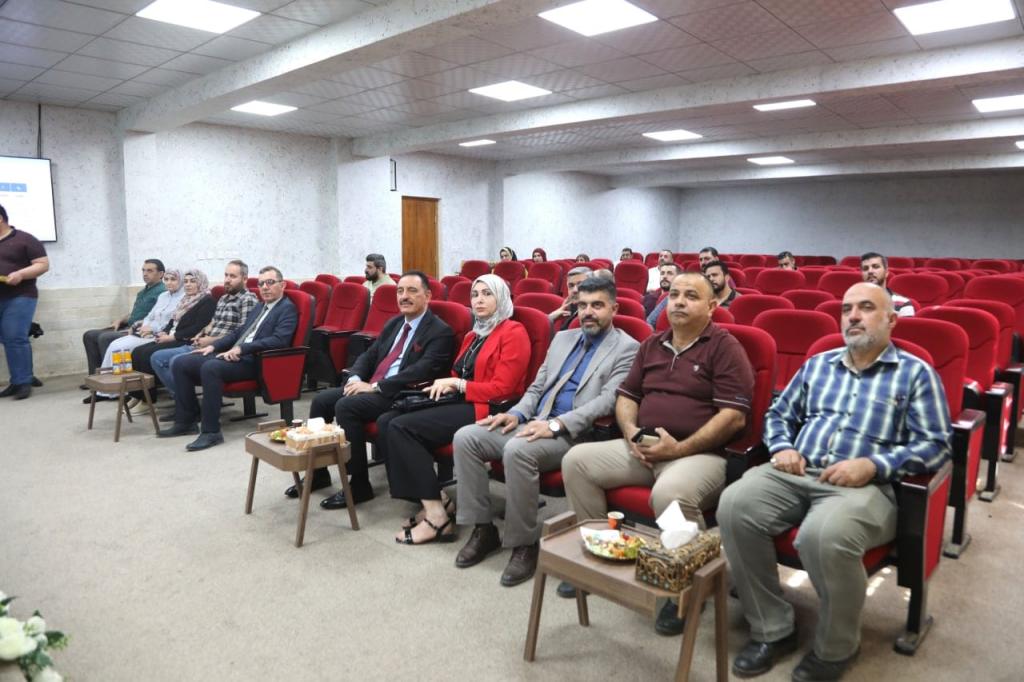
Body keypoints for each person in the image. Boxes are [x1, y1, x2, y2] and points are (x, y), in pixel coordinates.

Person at [718, 282, 951, 681]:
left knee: (823, 536)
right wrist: (781, 446)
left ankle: (836, 646)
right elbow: (779, 414)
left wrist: (873, 465)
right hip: (797, 471)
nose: (853, 316)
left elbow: (936, 445)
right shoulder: (818, 365)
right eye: (846, 309)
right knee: (734, 505)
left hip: (866, 487)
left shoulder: (915, 374)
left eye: (866, 308)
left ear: (892, 320)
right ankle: (772, 627)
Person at [560, 272, 753, 634]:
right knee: (577, 462)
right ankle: (604, 552)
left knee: (669, 494)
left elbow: (734, 417)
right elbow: (626, 396)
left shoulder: (725, 347)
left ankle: (683, 586)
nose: (678, 301)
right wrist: (632, 433)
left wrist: (679, 448)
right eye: (674, 294)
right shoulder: (652, 344)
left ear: (712, 306)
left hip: (699, 454)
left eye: (691, 296)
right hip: (645, 445)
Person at [453, 277, 639, 585]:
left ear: (614, 308)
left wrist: (556, 425)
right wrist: (515, 413)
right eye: (582, 305)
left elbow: (608, 401)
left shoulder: (628, 348)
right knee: (467, 437)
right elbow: (537, 386)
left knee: (517, 450)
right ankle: (483, 529)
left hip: (577, 434)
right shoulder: (563, 338)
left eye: (597, 305)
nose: (588, 312)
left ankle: (524, 543)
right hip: (535, 420)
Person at [385, 275, 530, 545]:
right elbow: (458, 372)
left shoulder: (514, 332)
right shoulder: (474, 334)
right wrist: (446, 385)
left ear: (501, 298)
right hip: (461, 400)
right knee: (388, 419)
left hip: (488, 408)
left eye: (487, 294)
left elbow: (504, 388)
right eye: (475, 295)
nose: (479, 300)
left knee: (401, 427)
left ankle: (437, 518)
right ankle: (437, 499)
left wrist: (459, 385)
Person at [291, 271, 455, 509]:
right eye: (400, 291)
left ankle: (358, 485)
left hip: (402, 393)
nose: (404, 296)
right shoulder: (395, 323)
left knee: (347, 407)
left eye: (412, 291)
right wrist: (355, 377)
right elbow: (370, 355)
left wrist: (375, 386)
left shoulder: (440, 331)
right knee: (321, 401)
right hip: (374, 386)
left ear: (427, 296)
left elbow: (422, 371)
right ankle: (318, 473)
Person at [159, 266, 298, 451]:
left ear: (283, 285)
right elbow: (239, 332)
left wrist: (242, 348)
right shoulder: (260, 306)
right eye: (261, 283)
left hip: (257, 361)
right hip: (237, 354)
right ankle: (186, 421)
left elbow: (279, 340)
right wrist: (214, 346)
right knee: (182, 362)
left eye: (270, 282)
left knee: (211, 368)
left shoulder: (287, 308)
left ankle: (211, 432)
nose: (264, 287)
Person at [142, 261, 256, 407]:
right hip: (202, 343)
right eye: (226, 275)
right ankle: (186, 402)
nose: (227, 279)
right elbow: (212, 323)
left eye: (232, 276)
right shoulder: (223, 298)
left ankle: (187, 406)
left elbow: (243, 332)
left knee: (175, 361)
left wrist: (212, 341)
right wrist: (200, 334)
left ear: (245, 279)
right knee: (157, 357)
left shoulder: (248, 299)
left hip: (221, 347)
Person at [93, 268, 185, 405]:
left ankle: (124, 390)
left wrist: (153, 329)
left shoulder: (184, 298)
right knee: (115, 345)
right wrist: (144, 327)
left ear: (181, 281)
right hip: (145, 332)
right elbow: (150, 315)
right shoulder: (163, 296)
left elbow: (173, 323)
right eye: (166, 279)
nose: (169, 283)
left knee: (121, 348)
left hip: (160, 334)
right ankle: (106, 390)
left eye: (173, 279)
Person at [81, 259, 166, 377]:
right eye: (143, 270)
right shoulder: (143, 292)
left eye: (149, 271)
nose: (145, 274)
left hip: (140, 331)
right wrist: (120, 320)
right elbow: (134, 313)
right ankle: (95, 378)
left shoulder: (163, 293)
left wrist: (138, 326)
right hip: (127, 326)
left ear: (161, 274)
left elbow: (157, 318)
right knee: (89, 335)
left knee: (105, 337)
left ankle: (112, 379)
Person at [0, 203, 49, 400]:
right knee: (8, 338)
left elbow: (43, 265)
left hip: (20, 296)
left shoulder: (25, 239)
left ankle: (22, 382)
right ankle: (23, 375)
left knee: (14, 336)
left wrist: (20, 274)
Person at [860, 252, 914, 317]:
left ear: (886, 272)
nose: (870, 271)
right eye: (865, 268)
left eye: (875, 267)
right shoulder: (853, 302)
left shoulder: (903, 303)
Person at [549, 266, 589, 332]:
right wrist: (551, 317)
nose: (575, 290)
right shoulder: (571, 308)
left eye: (581, 285)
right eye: (571, 286)